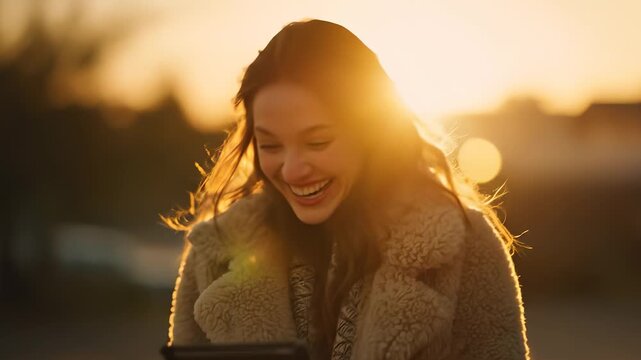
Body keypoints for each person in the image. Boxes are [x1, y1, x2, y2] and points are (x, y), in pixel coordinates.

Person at [166, 19, 530, 360]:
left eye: (317, 142)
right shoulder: (214, 253)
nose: (292, 170)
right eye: (271, 146)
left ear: (371, 132)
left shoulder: (463, 246)